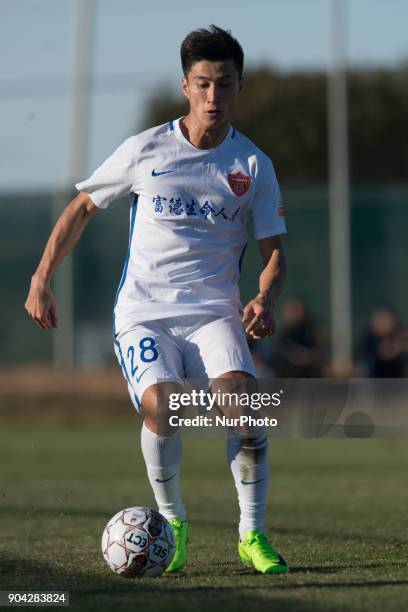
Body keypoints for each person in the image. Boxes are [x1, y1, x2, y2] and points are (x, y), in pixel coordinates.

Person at [25, 25, 288, 575]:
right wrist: (42, 277)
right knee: (162, 407)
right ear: (185, 86)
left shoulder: (253, 166)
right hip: (145, 313)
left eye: (225, 84)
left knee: (244, 406)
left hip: (215, 313)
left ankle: (252, 535)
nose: (213, 97)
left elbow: (274, 253)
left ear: (240, 87)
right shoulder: (146, 149)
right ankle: (172, 524)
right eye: (202, 84)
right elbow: (80, 210)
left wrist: (265, 297)